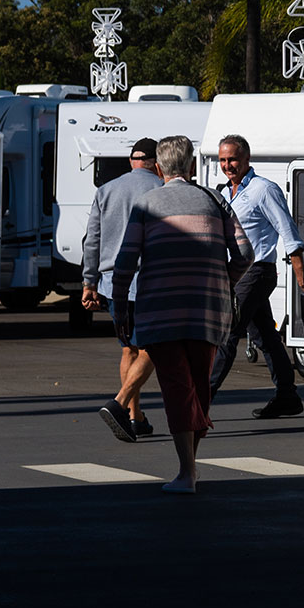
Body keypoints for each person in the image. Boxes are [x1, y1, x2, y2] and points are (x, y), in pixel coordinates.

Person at [111, 135, 252, 493]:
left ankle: (186, 473)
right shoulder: (214, 199)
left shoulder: (146, 204)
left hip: (161, 313)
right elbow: (245, 254)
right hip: (207, 311)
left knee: (177, 387)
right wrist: (222, 280)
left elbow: (125, 261)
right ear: (191, 167)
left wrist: (118, 308)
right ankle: (189, 468)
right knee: (198, 388)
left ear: (159, 169)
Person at [206, 134, 304, 417]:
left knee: (226, 334)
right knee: (265, 336)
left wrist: (300, 275)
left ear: (247, 159)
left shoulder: (263, 190)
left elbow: (288, 230)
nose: (228, 165)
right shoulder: (224, 193)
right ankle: (287, 396)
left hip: (257, 272)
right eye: (223, 160)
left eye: (233, 159)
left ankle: (200, 403)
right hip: (234, 275)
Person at [87, 137, 164, 441]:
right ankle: (121, 404)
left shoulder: (106, 190)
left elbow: (92, 239)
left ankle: (136, 416)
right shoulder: (161, 189)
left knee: (128, 349)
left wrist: (88, 282)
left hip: (112, 283)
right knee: (151, 349)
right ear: (156, 162)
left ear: (132, 161)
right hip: (148, 281)